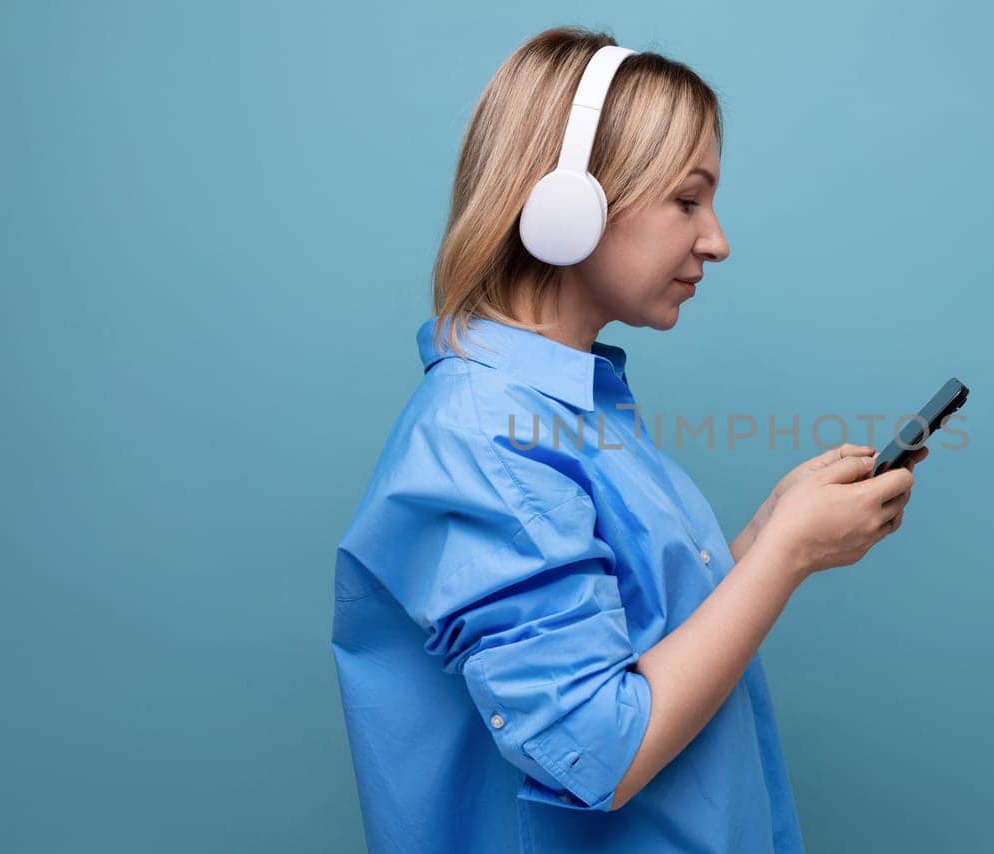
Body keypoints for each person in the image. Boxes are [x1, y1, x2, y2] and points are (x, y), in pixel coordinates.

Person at [331, 26, 924, 853]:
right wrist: (785, 555)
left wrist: (767, 534)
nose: (716, 240)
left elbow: (638, 640)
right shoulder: (483, 437)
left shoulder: (578, 407)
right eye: (688, 200)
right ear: (567, 204)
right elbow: (599, 751)